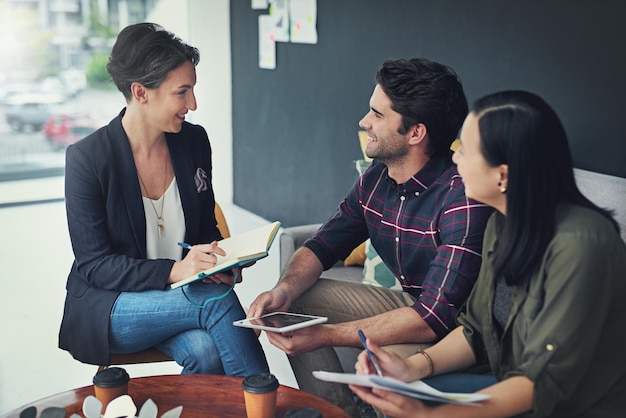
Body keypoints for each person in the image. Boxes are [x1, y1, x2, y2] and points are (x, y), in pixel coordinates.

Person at [350, 90, 626, 417]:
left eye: (465, 150)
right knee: (381, 394)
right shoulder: (500, 224)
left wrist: (429, 415)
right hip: (509, 384)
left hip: (568, 406)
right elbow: (475, 330)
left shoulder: (583, 243)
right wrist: (410, 369)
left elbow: (543, 380)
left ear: (503, 174)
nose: (454, 158)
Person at [248, 57, 493, 416]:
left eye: (378, 114)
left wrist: (327, 334)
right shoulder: (377, 178)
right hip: (411, 305)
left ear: (415, 133)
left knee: (382, 368)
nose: (364, 123)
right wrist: (282, 290)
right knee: (295, 301)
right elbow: (321, 245)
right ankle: (336, 412)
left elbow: (433, 319)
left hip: (457, 333)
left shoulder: (461, 196)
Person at [58, 22, 269, 377]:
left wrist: (217, 260)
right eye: (182, 92)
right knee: (215, 304)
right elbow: (95, 264)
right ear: (141, 92)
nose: (193, 104)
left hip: (177, 297)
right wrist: (177, 269)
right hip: (110, 304)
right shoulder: (87, 158)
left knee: (207, 352)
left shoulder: (193, 141)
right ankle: (272, 407)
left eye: (193, 91)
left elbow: (204, 225)